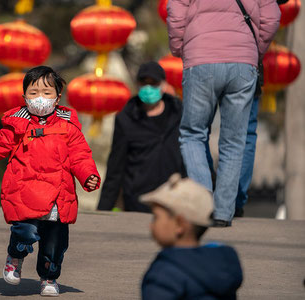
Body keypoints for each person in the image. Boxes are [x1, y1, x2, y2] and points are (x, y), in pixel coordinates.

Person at [0, 66, 100, 297]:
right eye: (33, 93)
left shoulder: (69, 128)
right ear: (24, 97)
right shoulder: (17, 126)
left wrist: (88, 176)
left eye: (46, 92)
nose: (40, 98)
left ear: (58, 97)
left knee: (55, 245)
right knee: (25, 231)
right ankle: (15, 256)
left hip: (57, 198)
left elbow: (80, 156)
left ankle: (49, 278)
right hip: (25, 193)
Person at [167, 0, 280, 226]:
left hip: (201, 57)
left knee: (192, 134)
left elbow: (176, 15)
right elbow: (272, 16)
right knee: (234, 141)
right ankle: (223, 212)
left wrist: (181, 48)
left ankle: (204, 202)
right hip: (243, 62)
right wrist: (253, 48)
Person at [97, 62, 184, 212]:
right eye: (144, 83)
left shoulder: (179, 112)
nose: (149, 88)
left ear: (164, 85)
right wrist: (102, 211)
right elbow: (115, 167)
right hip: (139, 201)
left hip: (176, 196)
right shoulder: (126, 119)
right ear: (138, 85)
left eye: (154, 83)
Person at [140, 173, 243, 299]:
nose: (151, 226)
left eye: (156, 218)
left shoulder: (164, 274)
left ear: (180, 225)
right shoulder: (222, 267)